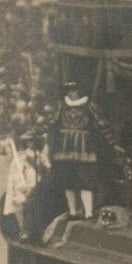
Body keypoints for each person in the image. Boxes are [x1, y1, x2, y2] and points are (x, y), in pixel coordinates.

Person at [45, 80, 113, 219]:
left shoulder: (89, 106)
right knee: (68, 180)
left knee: (86, 180)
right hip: (65, 148)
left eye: (75, 90)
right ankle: (73, 212)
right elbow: (51, 123)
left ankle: (88, 213)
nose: (72, 93)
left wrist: (111, 141)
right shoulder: (61, 106)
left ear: (80, 91)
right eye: (69, 90)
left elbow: (101, 124)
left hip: (84, 147)